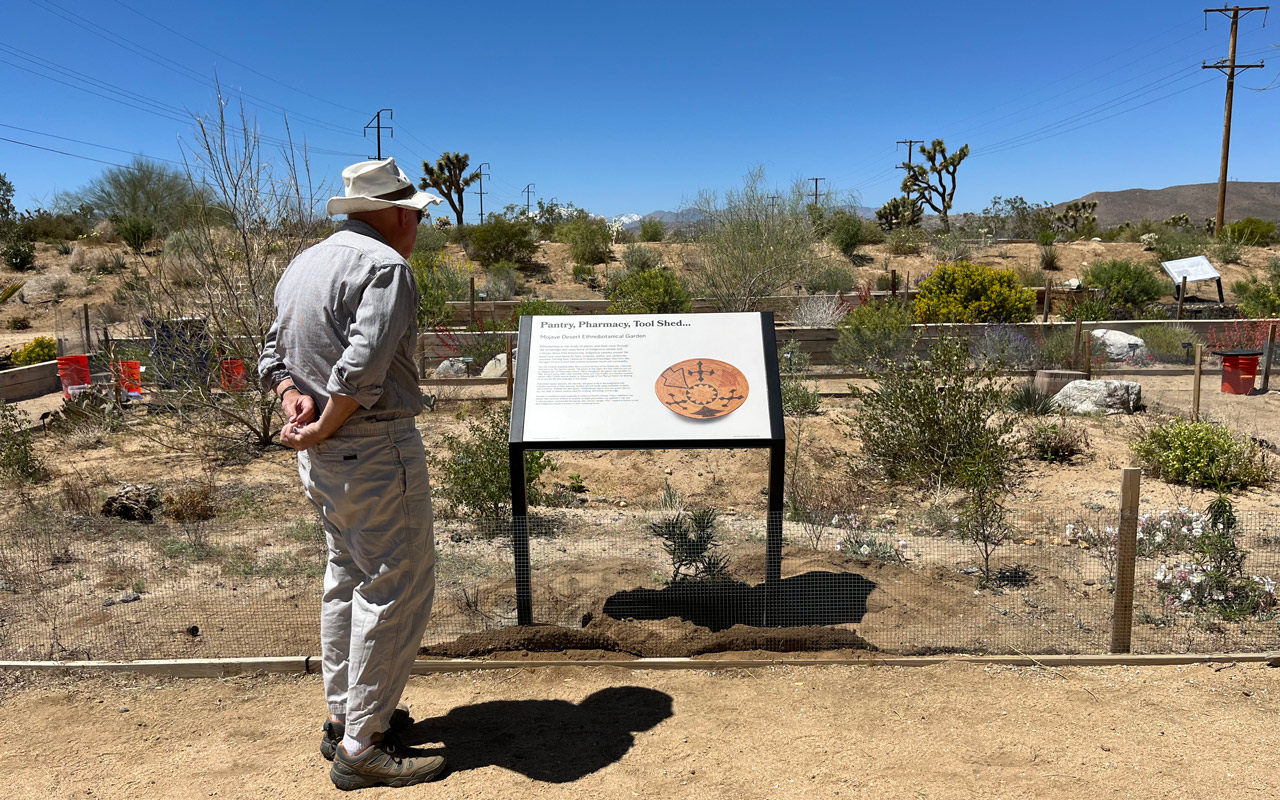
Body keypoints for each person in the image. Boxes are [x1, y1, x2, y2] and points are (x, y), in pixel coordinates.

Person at [259, 158, 447, 790]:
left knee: (347, 575)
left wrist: (293, 400)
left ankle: (345, 720)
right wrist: (327, 420)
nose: (417, 224)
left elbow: (273, 353)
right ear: (396, 213)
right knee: (396, 585)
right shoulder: (387, 267)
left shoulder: (304, 264)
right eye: (416, 214)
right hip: (372, 448)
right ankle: (364, 745)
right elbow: (364, 367)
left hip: (325, 459)